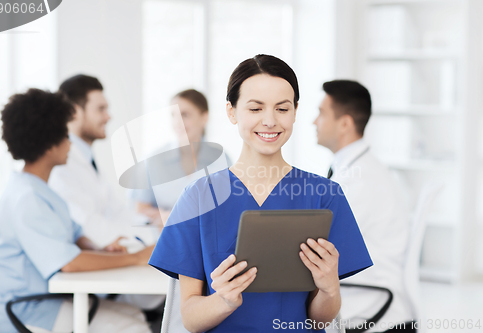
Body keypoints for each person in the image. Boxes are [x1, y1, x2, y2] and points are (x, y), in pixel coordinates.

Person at [149, 55, 373, 333]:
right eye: (255, 109)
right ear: (231, 112)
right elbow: (190, 319)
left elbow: (318, 321)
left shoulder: (325, 196)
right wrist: (224, 301)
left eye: (282, 109)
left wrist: (329, 290)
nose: (269, 121)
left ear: (295, 111)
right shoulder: (198, 198)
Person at [0, 89, 153, 333]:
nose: (70, 143)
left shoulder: (39, 189)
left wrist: (100, 249)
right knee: (131, 326)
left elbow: (74, 236)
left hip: (45, 300)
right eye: (64, 135)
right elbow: (69, 263)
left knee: (134, 314)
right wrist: (136, 257)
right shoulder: (28, 198)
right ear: (48, 144)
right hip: (24, 311)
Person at [49, 74, 165, 314]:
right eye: (100, 109)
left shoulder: (86, 159)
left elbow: (118, 211)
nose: (108, 116)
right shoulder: (62, 168)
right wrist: (144, 243)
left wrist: (154, 225)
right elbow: (92, 227)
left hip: (117, 266)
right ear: (73, 112)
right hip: (100, 278)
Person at [314, 80, 414, 332]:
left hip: (374, 312)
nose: (314, 121)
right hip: (370, 299)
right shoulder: (357, 170)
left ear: (345, 123)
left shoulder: (359, 181)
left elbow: (320, 246)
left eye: (322, 113)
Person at [132, 89, 231, 225]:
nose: (178, 122)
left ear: (204, 117)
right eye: (174, 115)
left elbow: (230, 207)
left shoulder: (221, 159)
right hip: (167, 237)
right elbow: (141, 208)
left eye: (185, 115)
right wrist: (167, 216)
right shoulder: (154, 160)